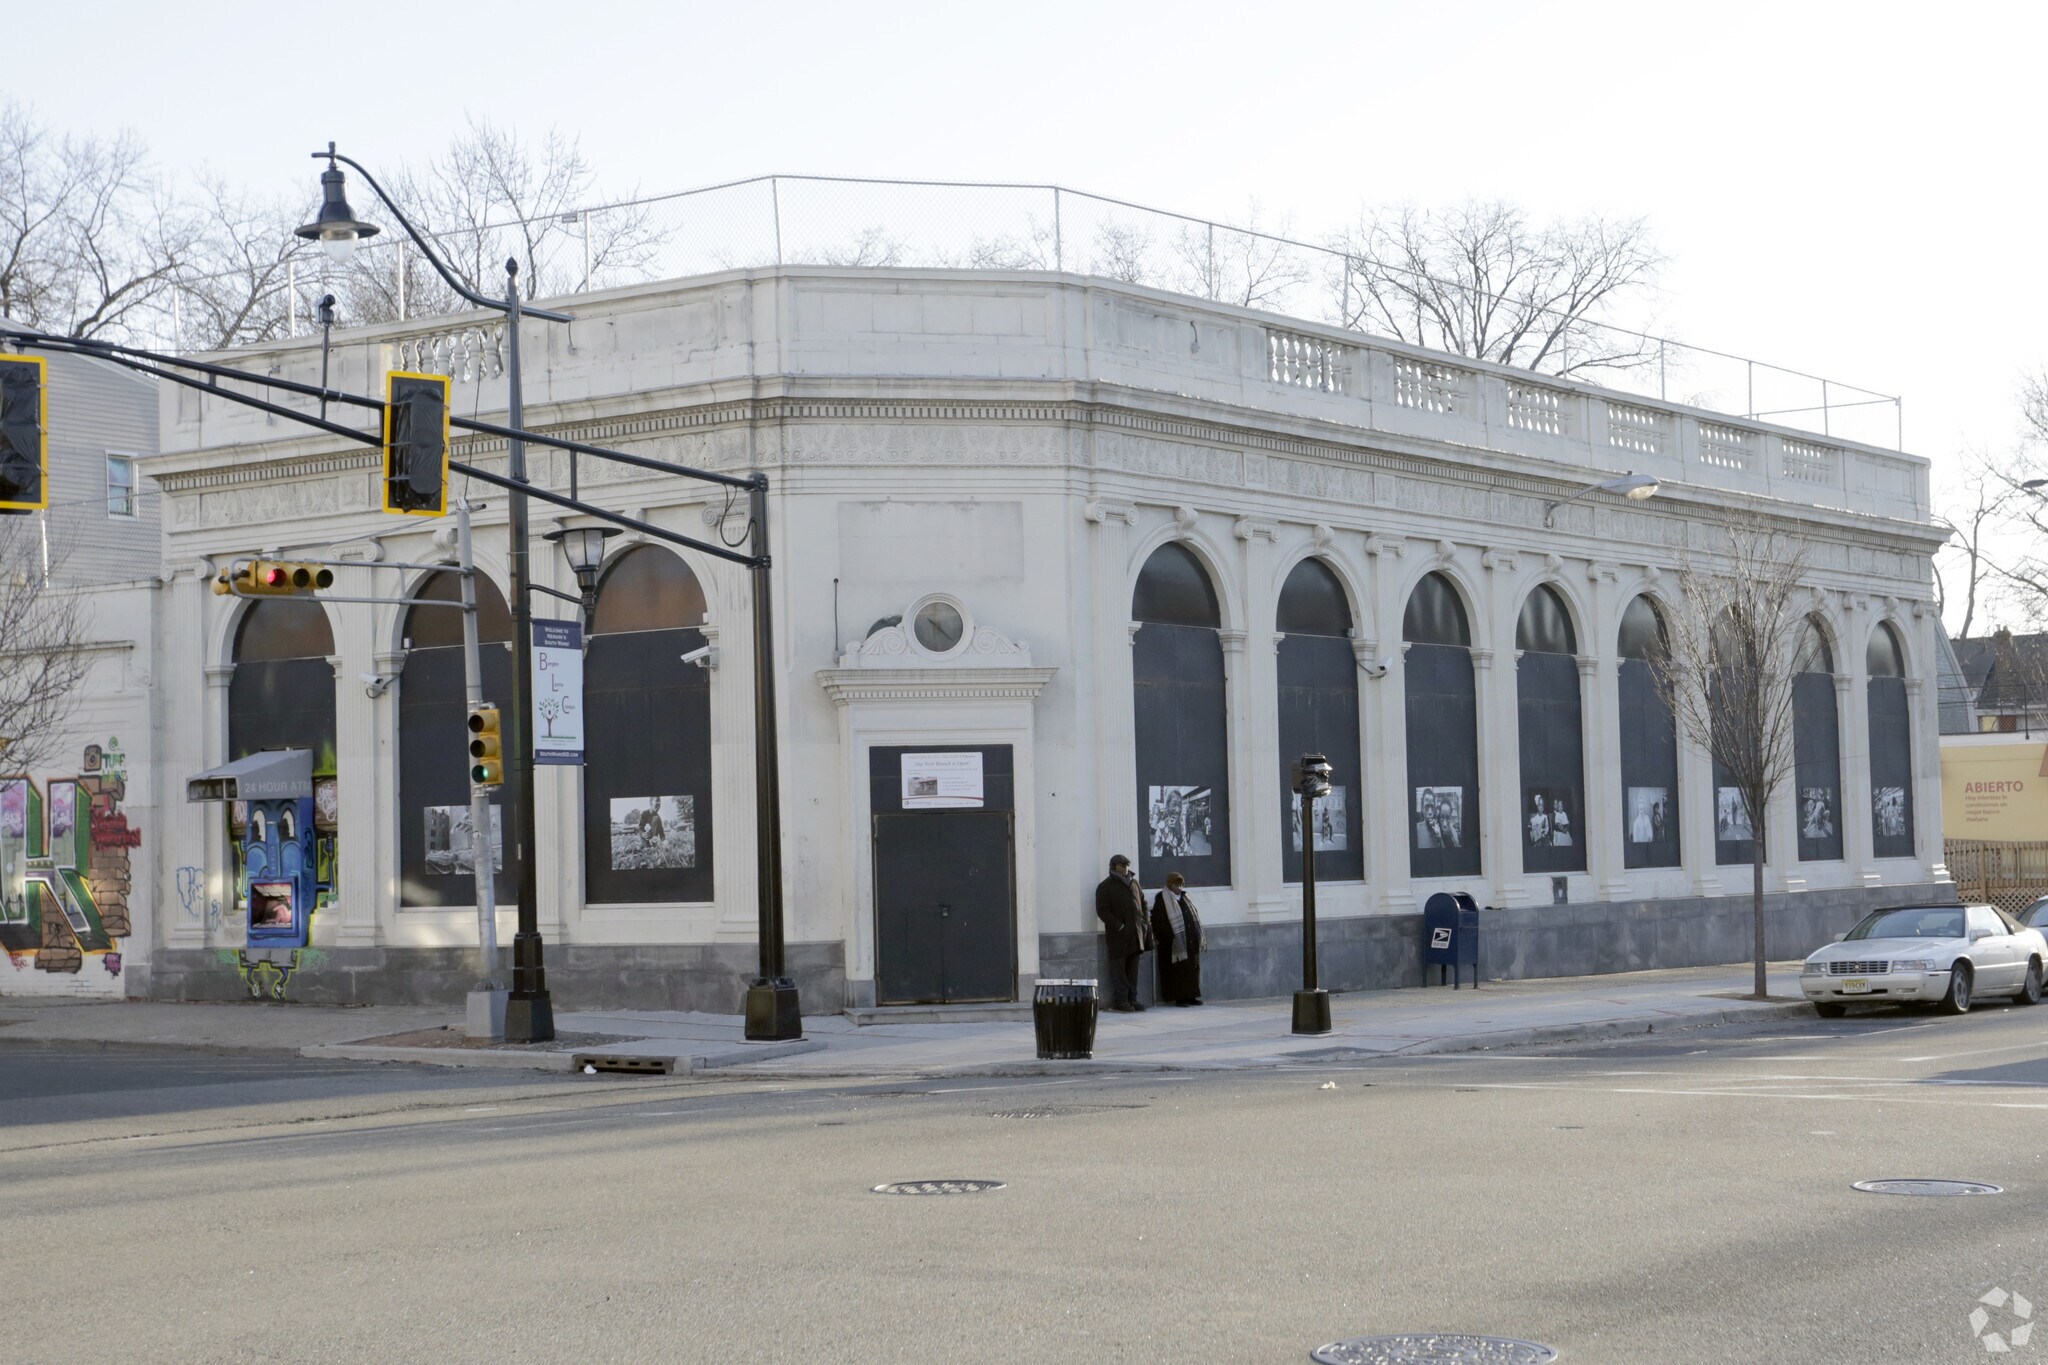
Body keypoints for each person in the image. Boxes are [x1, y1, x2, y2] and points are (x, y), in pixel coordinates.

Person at [1094, 854, 1152, 1011]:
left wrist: (1145, 923)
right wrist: (1119, 926)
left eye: (1127, 864)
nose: (1125, 867)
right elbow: (1102, 911)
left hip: (1137, 934)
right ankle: (1120, 1000)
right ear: (1114, 867)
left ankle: (1132, 999)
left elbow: (1144, 903)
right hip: (1118, 936)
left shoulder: (1135, 884)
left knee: (1133, 969)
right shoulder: (1105, 886)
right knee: (1119, 969)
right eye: (1122, 864)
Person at [1150, 872, 1205, 1006]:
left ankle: (1192, 995)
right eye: (1176, 884)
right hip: (1174, 943)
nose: (1179, 887)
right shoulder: (1163, 899)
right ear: (1170, 885)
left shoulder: (1185, 898)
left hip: (1189, 941)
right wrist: (1170, 937)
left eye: (1181, 884)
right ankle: (1179, 997)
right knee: (1178, 971)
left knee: (1192, 969)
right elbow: (1159, 922)